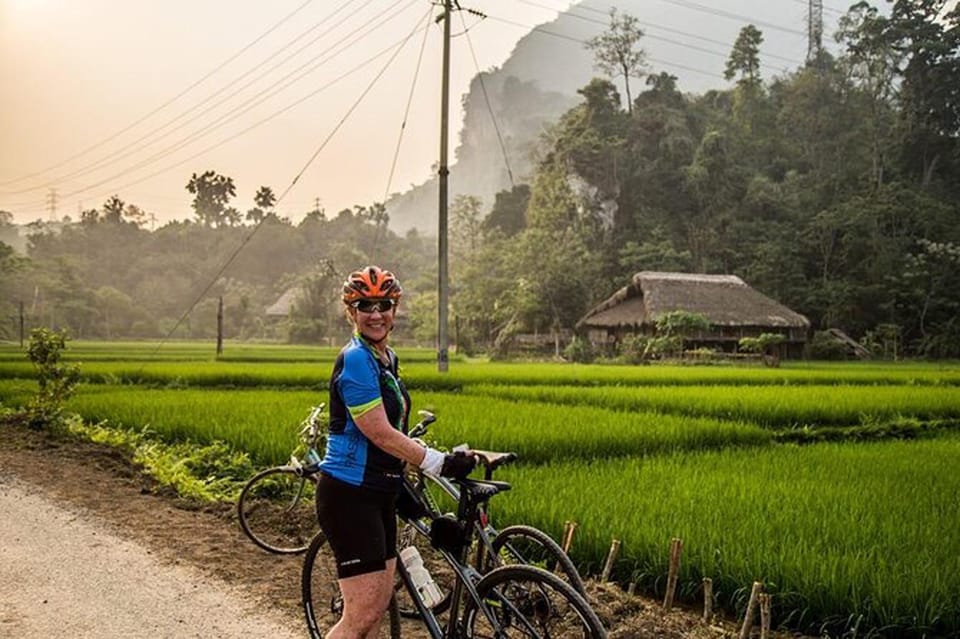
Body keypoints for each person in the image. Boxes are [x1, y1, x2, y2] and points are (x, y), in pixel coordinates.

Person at [316, 265, 476, 639]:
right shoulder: (355, 359)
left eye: (384, 305)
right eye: (365, 305)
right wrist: (437, 462)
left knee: (375, 606)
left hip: (380, 491)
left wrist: (422, 472)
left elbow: (398, 434)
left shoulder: (386, 359)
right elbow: (381, 433)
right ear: (351, 312)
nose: (376, 314)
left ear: (394, 309)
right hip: (349, 494)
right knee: (362, 614)